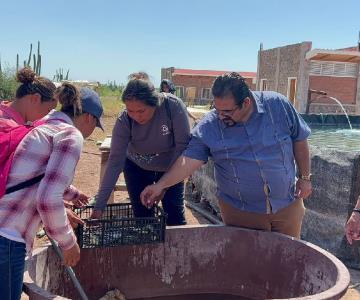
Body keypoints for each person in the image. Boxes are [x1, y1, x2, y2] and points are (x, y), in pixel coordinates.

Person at [141, 72, 312, 238]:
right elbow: (189, 160)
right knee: (244, 262)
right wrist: (161, 185)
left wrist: (304, 177)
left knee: (287, 260)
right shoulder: (211, 125)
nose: (221, 117)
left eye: (227, 112)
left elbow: (299, 139)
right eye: (217, 109)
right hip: (241, 213)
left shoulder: (278, 105)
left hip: (287, 206)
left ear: (246, 102)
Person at [0, 78, 104, 300]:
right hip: (8, 238)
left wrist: (75, 195)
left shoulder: (41, 126)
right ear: (88, 118)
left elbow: (35, 175)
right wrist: (68, 243)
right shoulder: (70, 135)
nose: (92, 131)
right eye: (96, 125)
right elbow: (47, 199)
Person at [91, 72, 190, 226]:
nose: (136, 116)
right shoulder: (124, 120)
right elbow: (115, 162)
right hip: (137, 167)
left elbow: (183, 149)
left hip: (171, 167)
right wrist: (99, 207)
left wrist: (163, 186)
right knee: (143, 219)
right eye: (131, 111)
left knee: (175, 217)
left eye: (141, 111)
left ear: (154, 103)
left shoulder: (173, 107)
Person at [0, 68, 88, 228]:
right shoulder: (9, 129)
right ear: (35, 98)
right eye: (48, 110)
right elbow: (13, 180)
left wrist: (69, 196)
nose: (46, 117)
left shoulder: (11, 121)